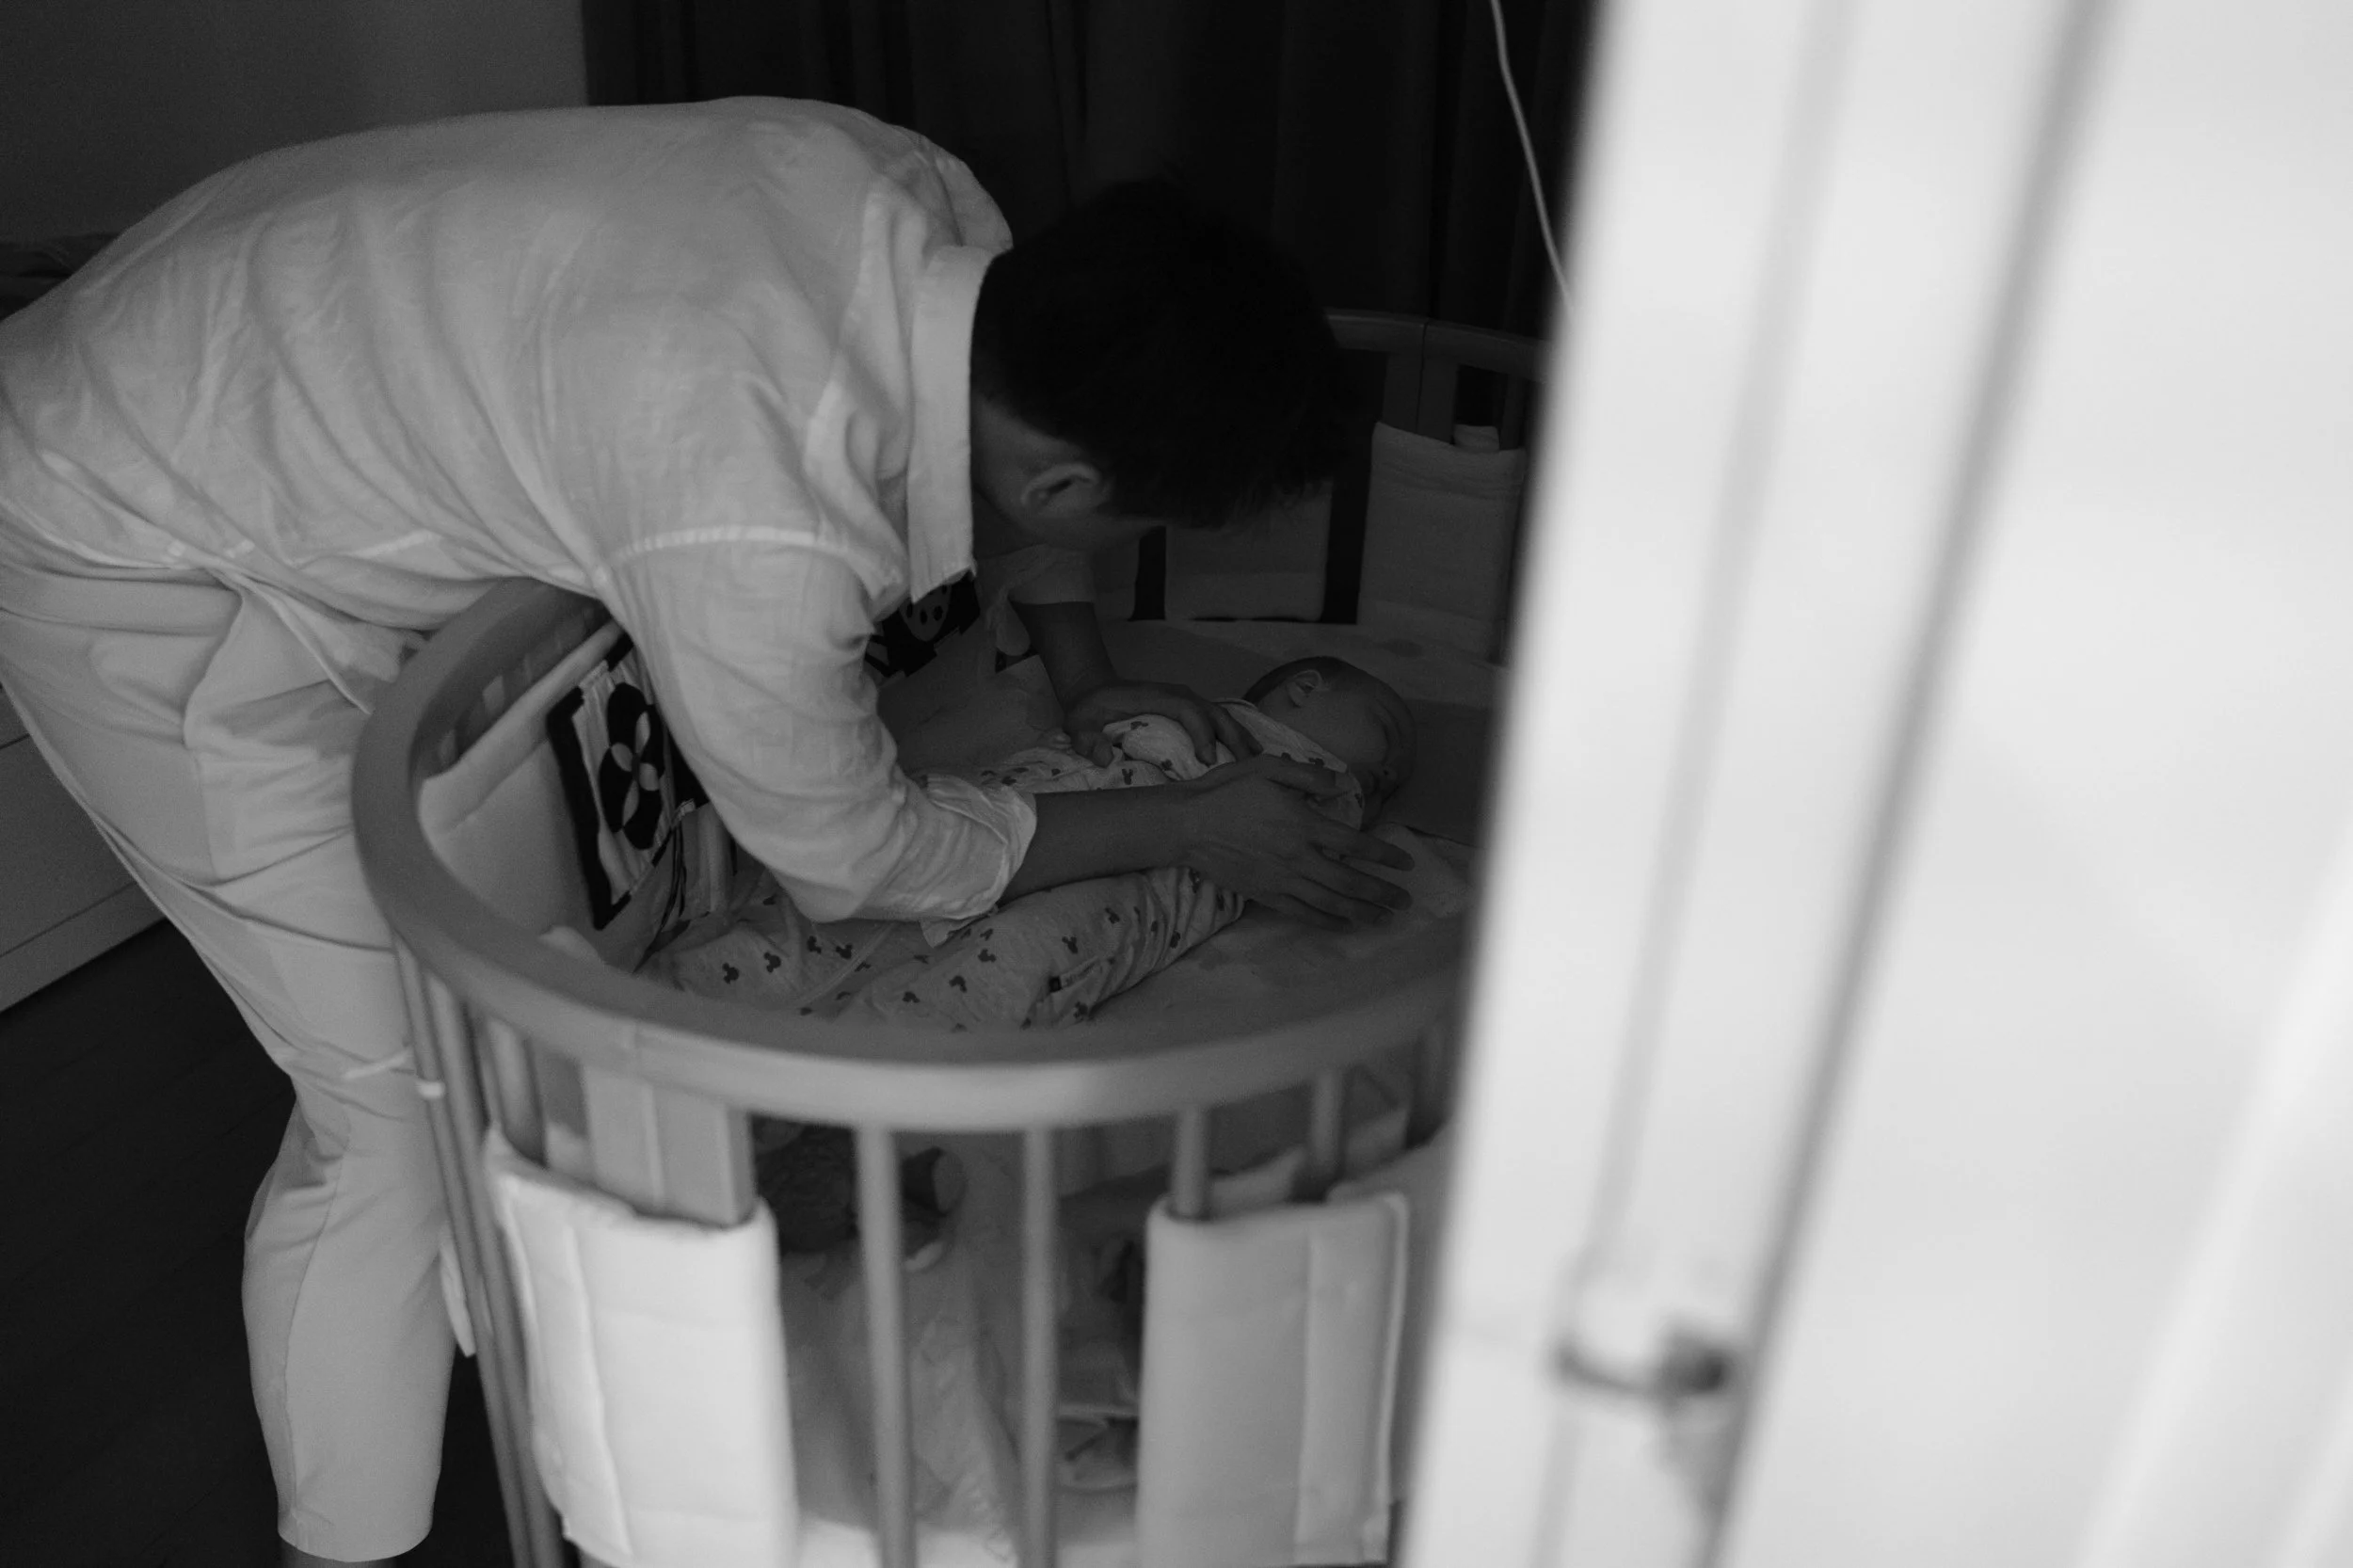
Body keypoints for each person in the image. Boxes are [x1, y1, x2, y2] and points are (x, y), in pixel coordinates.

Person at [0, 98, 1408, 1566]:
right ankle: (339, 1543)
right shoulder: (758, 521)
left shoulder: (924, 202)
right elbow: (858, 858)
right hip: (119, 520)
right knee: (396, 1111)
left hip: (235, 328)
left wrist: (1085, 674)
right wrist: (1178, 817)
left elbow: (1030, 463)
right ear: (1068, 483)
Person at [648, 653, 1421, 1028]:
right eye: (1384, 737)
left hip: (1122, 894)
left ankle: (853, 1103)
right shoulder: (1240, 735)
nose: (1380, 776)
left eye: (1386, 784)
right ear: (1304, 689)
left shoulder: (1325, 801)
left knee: (1014, 973)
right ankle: (682, 995)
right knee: (836, 920)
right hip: (1032, 806)